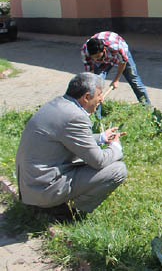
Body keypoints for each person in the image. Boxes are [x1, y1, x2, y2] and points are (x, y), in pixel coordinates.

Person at [15, 73, 127, 217]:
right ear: (86, 97)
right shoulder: (75, 117)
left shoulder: (57, 104)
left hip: (31, 185)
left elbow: (66, 138)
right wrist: (116, 146)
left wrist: (101, 138)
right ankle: (72, 212)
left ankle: (52, 206)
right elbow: (99, 161)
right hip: (42, 190)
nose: (101, 99)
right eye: (99, 95)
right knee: (118, 170)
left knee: (82, 159)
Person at [81, 31, 150, 118]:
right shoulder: (85, 52)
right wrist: (96, 92)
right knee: (95, 86)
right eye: (93, 58)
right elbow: (90, 73)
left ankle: (147, 109)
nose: (95, 59)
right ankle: (97, 117)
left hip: (119, 55)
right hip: (104, 61)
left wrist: (116, 80)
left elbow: (122, 62)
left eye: (98, 57)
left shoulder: (116, 47)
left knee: (134, 80)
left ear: (104, 50)